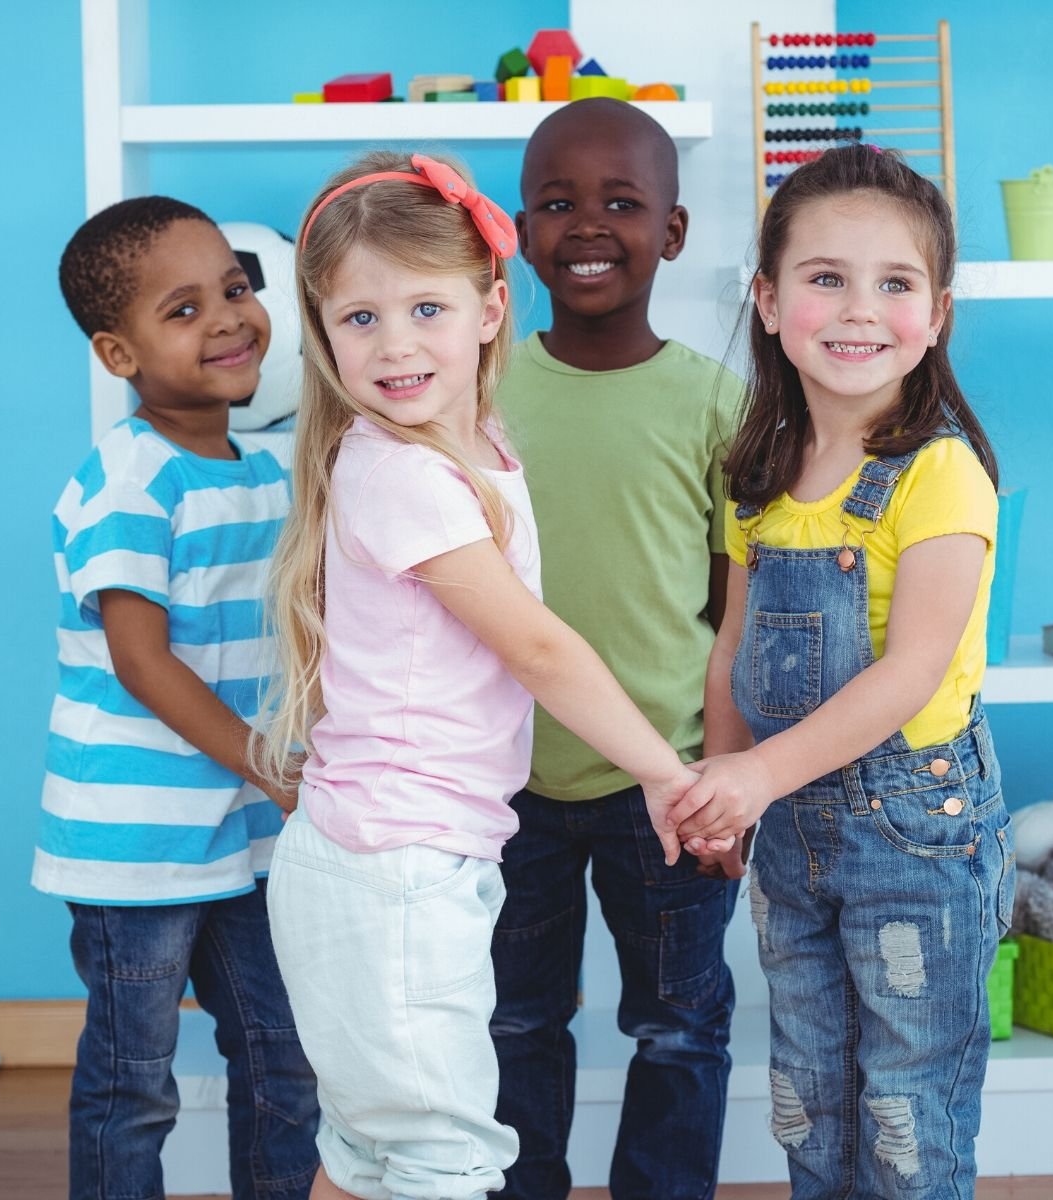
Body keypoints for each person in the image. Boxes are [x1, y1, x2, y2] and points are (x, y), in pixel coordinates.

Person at [253, 151, 730, 1200]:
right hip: (395, 877)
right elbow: (540, 648)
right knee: (437, 1164)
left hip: (391, 864)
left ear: (488, 309)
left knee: (371, 1155)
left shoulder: (465, 450)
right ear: (323, 336)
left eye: (425, 306)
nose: (393, 343)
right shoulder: (403, 474)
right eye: (358, 319)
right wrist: (663, 770)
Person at [673, 145, 1013, 1200]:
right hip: (790, 838)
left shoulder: (939, 472)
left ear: (937, 312)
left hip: (916, 833)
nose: (859, 309)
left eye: (894, 283)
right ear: (768, 301)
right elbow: (729, 646)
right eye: (825, 278)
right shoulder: (758, 475)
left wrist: (755, 777)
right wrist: (722, 787)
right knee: (810, 1095)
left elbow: (910, 670)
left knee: (906, 1107)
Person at [487, 96, 744, 1200]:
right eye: (556, 203)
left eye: (621, 204)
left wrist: (724, 777)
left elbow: (735, 610)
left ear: (672, 235)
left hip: (668, 784)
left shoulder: (716, 403)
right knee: (512, 1023)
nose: (586, 225)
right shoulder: (473, 389)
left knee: (678, 1030)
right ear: (517, 231)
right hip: (504, 786)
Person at [42, 195, 318, 1200]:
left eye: (237, 290)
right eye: (184, 309)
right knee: (133, 1080)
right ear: (120, 355)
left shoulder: (261, 470)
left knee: (283, 1058)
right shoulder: (127, 477)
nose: (229, 319)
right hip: (135, 846)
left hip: (244, 834)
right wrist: (268, 764)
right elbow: (141, 661)